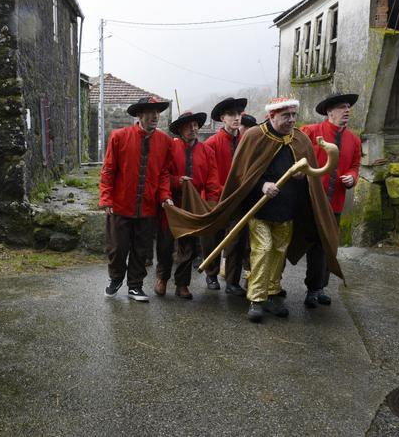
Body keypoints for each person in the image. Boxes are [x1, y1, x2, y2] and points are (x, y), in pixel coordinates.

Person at [165, 97, 343, 323]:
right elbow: (242, 176)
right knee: (263, 249)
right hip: (259, 211)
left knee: (279, 251)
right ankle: (257, 300)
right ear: (272, 116)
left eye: (293, 115)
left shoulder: (300, 139)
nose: (291, 120)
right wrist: (262, 185)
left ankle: (271, 294)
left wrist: (303, 175)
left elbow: (311, 175)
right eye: (286, 115)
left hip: (287, 210)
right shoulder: (254, 136)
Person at [100, 96, 173, 302]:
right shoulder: (119, 137)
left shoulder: (165, 142)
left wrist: (165, 196)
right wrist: (106, 198)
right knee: (117, 247)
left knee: (141, 250)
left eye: (158, 112)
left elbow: (164, 174)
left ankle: (135, 286)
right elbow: (108, 170)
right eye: (150, 112)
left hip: (148, 206)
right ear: (139, 115)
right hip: (120, 205)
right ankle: (115, 279)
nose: (155, 116)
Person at [300, 93, 361, 307]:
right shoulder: (311, 131)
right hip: (311, 202)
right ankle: (307, 288)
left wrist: (352, 177)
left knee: (329, 246)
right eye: (341, 107)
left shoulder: (354, 139)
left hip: (335, 202)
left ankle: (319, 288)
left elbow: (355, 165)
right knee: (312, 244)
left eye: (348, 107)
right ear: (329, 112)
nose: (346, 111)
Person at [155, 110, 220, 300]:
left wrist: (210, 205)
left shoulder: (207, 151)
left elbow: (212, 181)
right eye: (188, 126)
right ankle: (162, 278)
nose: (193, 129)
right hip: (171, 202)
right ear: (180, 130)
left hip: (193, 203)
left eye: (195, 125)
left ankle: (182, 284)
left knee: (188, 244)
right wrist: (174, 184)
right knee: (166, 243)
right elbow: (163, 174)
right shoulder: (171, 148)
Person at [203, 97, 247, 294]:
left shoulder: (246, 141)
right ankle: (211, 274)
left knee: (236, 240)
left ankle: (232, 281)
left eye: (239, 114)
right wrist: (219, 193)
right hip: (217, 199)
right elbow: (208, 174)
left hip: (239, 199)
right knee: (214, 238)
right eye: (231, 115)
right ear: (223, 118)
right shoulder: (212, 142)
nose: (236, 118)